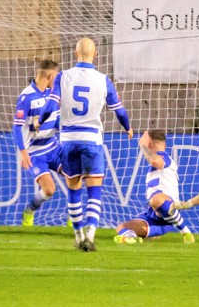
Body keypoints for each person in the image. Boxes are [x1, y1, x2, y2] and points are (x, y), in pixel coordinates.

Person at [40, 38, 133, 251]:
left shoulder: (63, 76)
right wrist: (127, 127)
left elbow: (50, 106)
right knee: (94, 189)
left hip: (69, 140)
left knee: (73, 188)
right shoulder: (103, 80)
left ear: (75, 53)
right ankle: (91, 234)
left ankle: (78, 233)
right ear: (96, 54)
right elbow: (119, 111)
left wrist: (39, 121)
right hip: (92, 140)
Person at [113, 130, 194, 244]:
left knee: (156, 199)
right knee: (122, 227)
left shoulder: (164, 157)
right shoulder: (163, 159)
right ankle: (131, 238)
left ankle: (186, 232)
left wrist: (143, 146)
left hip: (166, 209)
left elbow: (154, 161)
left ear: (149, 144)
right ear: (165, 144)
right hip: (154, 215)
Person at [13, 59, 62, 226]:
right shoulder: (27, 97)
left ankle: (74, 218)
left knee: (74, 174)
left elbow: (57, 118)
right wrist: (23, 151)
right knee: (49, 190)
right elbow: (17, 127)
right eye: (55, 77)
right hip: (35, 152)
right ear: (50, 75)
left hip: (54, 147)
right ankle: (29, 211)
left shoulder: (52, 94)